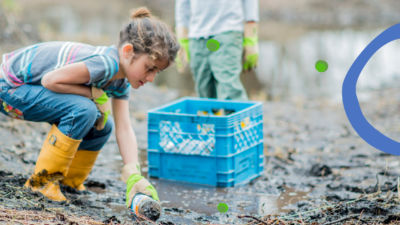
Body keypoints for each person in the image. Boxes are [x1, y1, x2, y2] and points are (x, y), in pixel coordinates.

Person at [0, 7, 179, 209]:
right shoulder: (105, 63)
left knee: (104, 125)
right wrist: (95, 95)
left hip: (28, 91)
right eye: (149, 68)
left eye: (157, 72)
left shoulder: (121, 81)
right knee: (85, 110)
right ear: (128, 51)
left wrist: (133, 173)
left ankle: (71, 182)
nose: (151, 78)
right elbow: (50, 80)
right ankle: (42, 183)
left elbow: (125, 128)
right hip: (10, 88)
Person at [175, 0, 259, 101]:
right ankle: (211, 116)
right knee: (204, 88)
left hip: (227, 30)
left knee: (228, 85)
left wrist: (251, 34)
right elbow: (182, 3)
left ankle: (238, 116)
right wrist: (182, 36)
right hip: (197, 35)